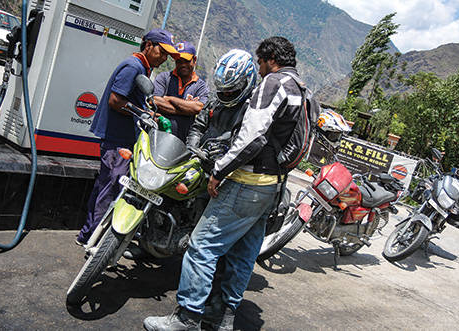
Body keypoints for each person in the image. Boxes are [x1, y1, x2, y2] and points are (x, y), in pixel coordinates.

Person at [144, 36, 304, 331]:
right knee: (243, 253)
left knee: (202, 247)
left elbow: (252, 137)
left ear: (270, 59)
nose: (260, 68)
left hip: (245, 180)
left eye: (260, 62)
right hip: (271, 185)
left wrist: (219, 171)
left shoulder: (272, 84)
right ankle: (224, 317)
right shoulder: (301, 90)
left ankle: (188, 317)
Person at [76, 28, 179, 245]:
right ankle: (93, 237)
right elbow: (116, 100)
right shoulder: (133, 66)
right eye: (162, 52)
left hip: (121, 137)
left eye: (167, 55)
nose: (164, 58)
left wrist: (146, 110)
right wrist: (143, 113)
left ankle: (88, 233)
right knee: (112, 184)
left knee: (105, 184)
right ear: (148, 45)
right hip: (117, 138)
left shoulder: (142, 67)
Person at [153, 41, 210, 142]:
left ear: (194, 60)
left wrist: (169, 99)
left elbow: (199, 108)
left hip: (182, 144)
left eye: (186, 61)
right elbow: (155, 101)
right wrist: (186, 110)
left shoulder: (201, 86)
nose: (183, 64)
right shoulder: (164, 78)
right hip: (158, 138)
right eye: (179, 61)